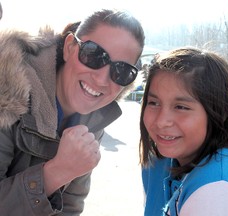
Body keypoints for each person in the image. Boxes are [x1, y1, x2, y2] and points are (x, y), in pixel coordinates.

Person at [0, 9, 145, 215]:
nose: (102, 80)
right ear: (69, 47)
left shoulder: (93, 120)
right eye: (94, 55)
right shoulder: (6, 88)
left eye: (121, 71)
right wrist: (56, 173)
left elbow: (70, 207)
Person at [139, 47, 228, 215]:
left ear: (220, 112)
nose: (161, 121)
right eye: (153, 102)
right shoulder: (164, 161)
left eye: (181, 107)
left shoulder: (219, 192)